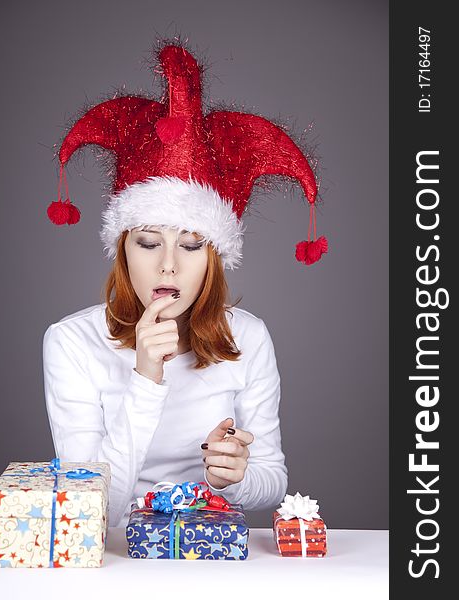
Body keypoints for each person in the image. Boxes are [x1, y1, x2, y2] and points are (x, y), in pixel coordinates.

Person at [43, 41, 326, 527]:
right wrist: (146, 376)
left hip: (211, 549)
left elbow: (270, 479)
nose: (169, 266)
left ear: (213, 258)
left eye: (192, 246)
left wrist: (233, 476)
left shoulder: (249, 337)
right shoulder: (70, 342)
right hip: (115, 558)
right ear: (122, 249)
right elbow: (93, 510)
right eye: (149, 243)